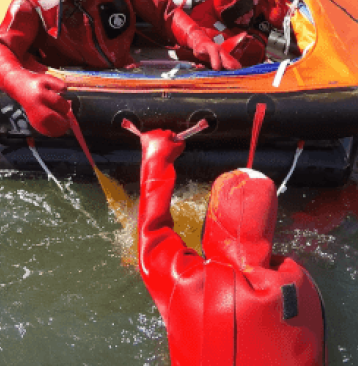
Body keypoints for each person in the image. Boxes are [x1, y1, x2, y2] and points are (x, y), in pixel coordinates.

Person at [0, 0, 240, 138]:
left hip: (125, 75)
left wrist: (199, 39)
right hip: (71, 83)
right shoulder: (33, 0)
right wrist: (21, 85)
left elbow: (165, 12)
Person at [135, 127, 326, 365]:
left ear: (211, 224)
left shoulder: (190, 284)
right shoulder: (303, 284)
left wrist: (157, 156)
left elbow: (153, 235)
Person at [187, 0, 290, 66]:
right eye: (234, 16)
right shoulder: (204, 25)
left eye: (247, 11)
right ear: (221, 15)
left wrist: (281, 23)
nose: (245, 19)